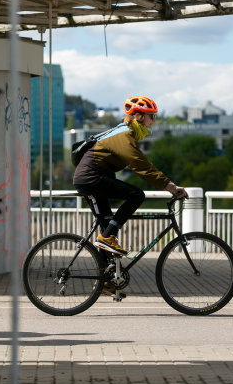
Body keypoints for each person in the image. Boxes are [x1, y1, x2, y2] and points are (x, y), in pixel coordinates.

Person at [73, 96, 187, 296]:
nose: (154, 121)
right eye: (152, 117)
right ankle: (107, 237)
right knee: (136, 195)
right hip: (91, 178)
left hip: (94, 178)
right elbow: (141, 166)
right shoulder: (124, 135)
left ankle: (105, 281)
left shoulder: (127, 133)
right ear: (140, 117)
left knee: (107, 226)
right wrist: (170, 186)